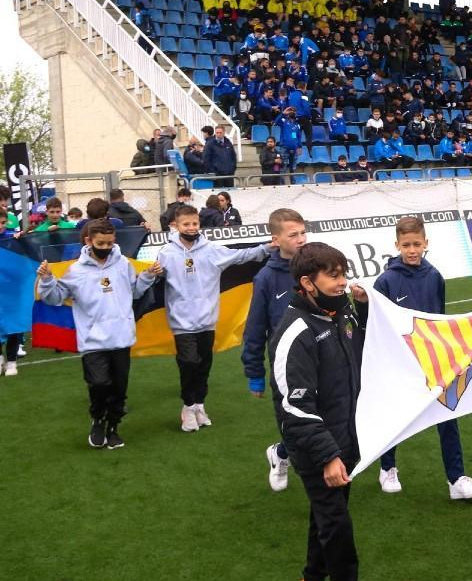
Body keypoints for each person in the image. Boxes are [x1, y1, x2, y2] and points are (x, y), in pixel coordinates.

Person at [269, 242, 369, 581]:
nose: (342, 283)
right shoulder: (295, 332)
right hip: (316, 451)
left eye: (343, 274)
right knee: (338, 530)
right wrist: (327, 456)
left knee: (327, 517)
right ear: (308, 282)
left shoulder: (343, 313)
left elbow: (364, 349)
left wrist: (365, 311)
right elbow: (293, 407)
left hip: (345, 440)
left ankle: (311, 576)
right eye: (333, 276)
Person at [371, 217, 472, 499]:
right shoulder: (385, 281)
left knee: (448, 415)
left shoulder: (434, 276)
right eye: (406, 245)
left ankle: (456, 478)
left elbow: (440, 318)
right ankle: (387, 468)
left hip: (434, 361)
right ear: (396, 245)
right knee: (394, 417)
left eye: (417, 244)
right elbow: (376, 325)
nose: (412, 250)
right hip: (399, 363)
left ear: (426, 244)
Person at [37, 220, 162, 448]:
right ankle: (97, 419)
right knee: (99, 384)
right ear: (88, 241)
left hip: (121, 338)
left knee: (118, 390)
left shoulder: (123, 264)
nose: (106, 247)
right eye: (100, 243)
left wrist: (147, 277)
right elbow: (55, 297)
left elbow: (133, 292)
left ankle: (113, 427)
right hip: (93, 341)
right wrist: (47, 280)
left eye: (110, 243)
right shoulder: (76, 270)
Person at [156, 205, 272, 432]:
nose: (191, 228)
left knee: (203, 366)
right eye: (186, 224)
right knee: (188, 364)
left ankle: (199, 405)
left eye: (195, 223)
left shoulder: (211, 250)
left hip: (207, 320)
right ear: (175, 226)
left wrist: (267, 248)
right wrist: (153, 274)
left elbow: (241, 256)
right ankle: (188, 407)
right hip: (182, 324)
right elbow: (155, 281)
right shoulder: (166, 253)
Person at [242, 208, 308, 492]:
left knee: (326, 419)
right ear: (275, 239)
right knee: (295, 425)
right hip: (286, 367)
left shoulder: (315, 265)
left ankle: (289, 454)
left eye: (303, 232)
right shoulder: (266, 279)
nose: (301, 239)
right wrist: (254, 373)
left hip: (320, 358)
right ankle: (282, 455)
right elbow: (255, 330)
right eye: (293, 235)